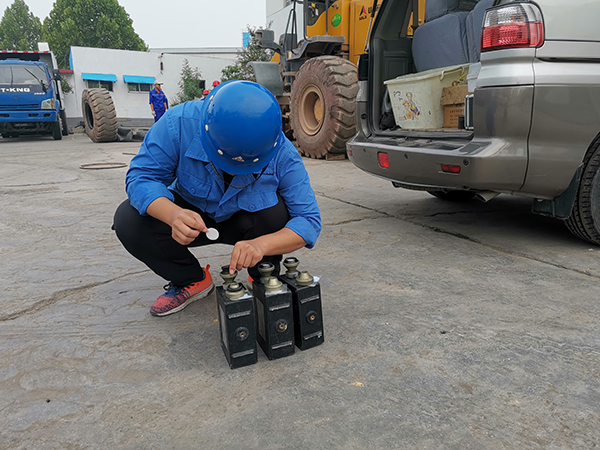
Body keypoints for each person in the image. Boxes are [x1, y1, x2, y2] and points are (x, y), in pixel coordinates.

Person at [113, 80, 321, 317]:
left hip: (248, 223)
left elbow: (308, 219)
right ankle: (190, 279)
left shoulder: (281, 151)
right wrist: (173, 215)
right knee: (129, 220)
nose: (234, 171)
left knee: (277, 213)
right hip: (191, 219)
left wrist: (261, 245)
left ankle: (263, 273)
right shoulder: (179, 123)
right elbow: (141, 177)